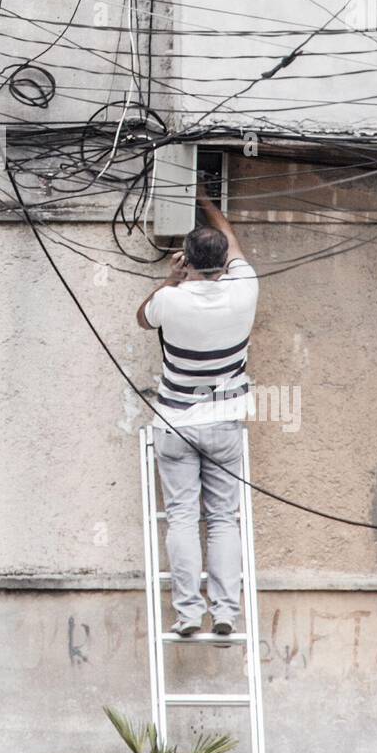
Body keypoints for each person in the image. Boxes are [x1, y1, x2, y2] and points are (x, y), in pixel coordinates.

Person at [136, 182, 259, 637]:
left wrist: (173, 277)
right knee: (223, 519)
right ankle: (225, 612)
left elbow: (142, 315)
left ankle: (188, 615)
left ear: (187, 261)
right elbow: (234, 244)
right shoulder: (245, 288)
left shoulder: (171, 298)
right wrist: (206, 198)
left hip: (174, 425)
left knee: (184, 518)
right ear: (225, 262)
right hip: (224, 423)